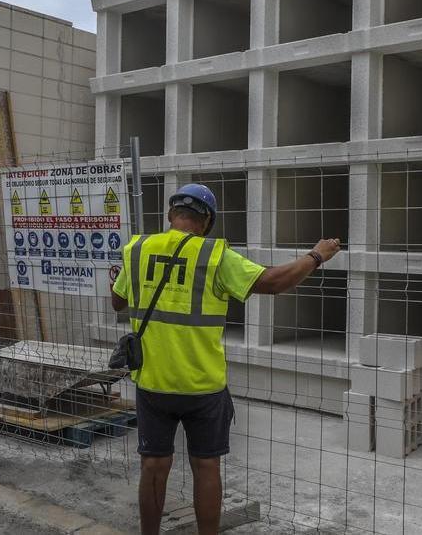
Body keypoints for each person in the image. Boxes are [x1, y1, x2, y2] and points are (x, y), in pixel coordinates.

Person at [110, 183, 341, 535]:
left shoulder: (138, 249)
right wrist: (316, 256)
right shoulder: (214, 255)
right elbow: (274, 282)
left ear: (171, 216)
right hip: (203, 386)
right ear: (206, 223)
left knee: (154, 466)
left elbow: (117, 302)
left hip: (153, 381)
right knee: (206, 467)